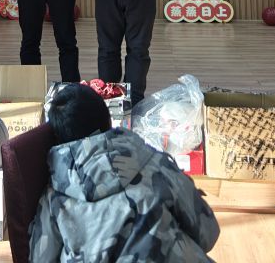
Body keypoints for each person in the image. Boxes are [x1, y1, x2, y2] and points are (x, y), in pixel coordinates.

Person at [29, 83, 219, 263]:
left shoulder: (55, 197)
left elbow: (40, 259)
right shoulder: (155, 164)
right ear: (108, 120)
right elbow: (208, 233)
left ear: (59, 139)